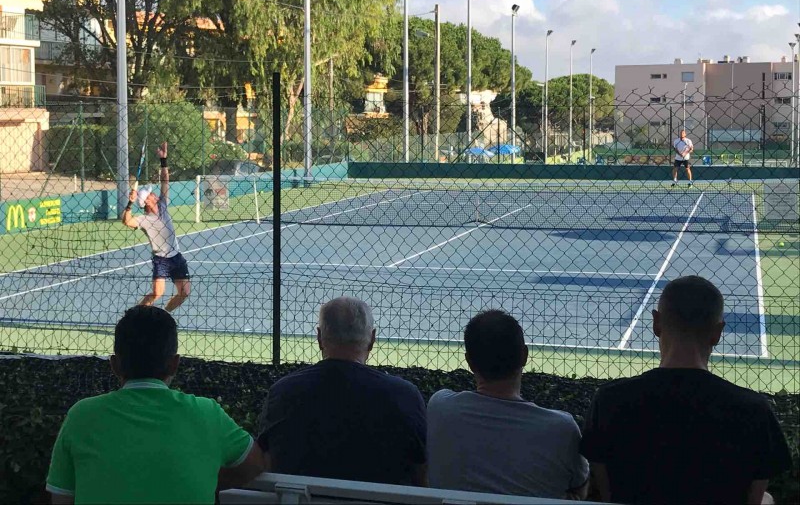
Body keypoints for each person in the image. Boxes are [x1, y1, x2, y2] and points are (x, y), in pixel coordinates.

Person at [581, 276, 792, 505]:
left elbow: (608, 494)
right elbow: (754, 498)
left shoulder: (609, 401)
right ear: (718, 332)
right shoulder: (755, 410)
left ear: (656, 323)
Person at [46, 306, 264, 504]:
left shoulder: (81, 416)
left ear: (114, 364)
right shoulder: (208, 414)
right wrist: (208, 478)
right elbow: (255, 464)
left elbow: (62, 499)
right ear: (175, 364)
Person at [256, 296, 427, 486]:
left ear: (319, 338)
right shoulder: (405, 396)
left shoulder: (282, 392)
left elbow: (267, 463)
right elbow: (422, 474)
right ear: (372, 339)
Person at [427, 310, 589, 499]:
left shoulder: (440, 407)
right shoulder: (562, 429)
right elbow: (580, 488)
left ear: (469, 362)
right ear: (524, 355)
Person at [122, 141, 190, 312]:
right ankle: (136, 315)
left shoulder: (163, 204)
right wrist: (130, 203)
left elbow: (165, 180)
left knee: (184, 293)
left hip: (176, 257)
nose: (155, 194)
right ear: (147, 202)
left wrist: (163, 160)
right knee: (157, 293)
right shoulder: (143, 219)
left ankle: (165, 314)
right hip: (161, 260)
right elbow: (127, 221)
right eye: (151, 194)